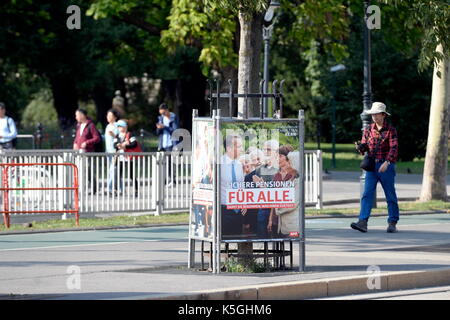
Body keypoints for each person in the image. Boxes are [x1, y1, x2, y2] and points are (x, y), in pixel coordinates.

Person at [351, 102, 399, 233]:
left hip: (386, 166)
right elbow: (365, 147)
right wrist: (361, 148)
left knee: (390, 194)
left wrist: (387, 162)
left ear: (383, 115)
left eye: (377, 114)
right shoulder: (368, 130)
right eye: (372, 114)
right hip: (372, 166)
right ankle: (363, 222)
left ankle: (392, 222)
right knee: (367, 194)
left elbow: (394, 148)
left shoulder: (391, 130)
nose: (374, 117)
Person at [268, 147, 300, 237]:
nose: (288, 164)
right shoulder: (279, 177)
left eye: (280, 156)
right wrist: (271, 218)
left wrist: (277, 209)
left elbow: (293, 203)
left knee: (291, 244)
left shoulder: (297, 181)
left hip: (292, 224)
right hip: (281, 223)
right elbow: (274, 199)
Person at [221, 134, 246, 238]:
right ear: (229, 148)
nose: (242, 149)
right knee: (224, 242)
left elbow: (241, 186)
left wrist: (244, 203)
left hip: (238, 211)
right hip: (223, 210)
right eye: (239, 146)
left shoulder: (239, 165)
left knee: (237, 239)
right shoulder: (218, 164)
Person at [73, 109, 101, 194]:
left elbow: (97, 138)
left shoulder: (91, 125)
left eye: (77, 115)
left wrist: (87, 143)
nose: (76, 117)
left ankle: (94, 187)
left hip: (88, 151)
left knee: (88, 170)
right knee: (80, 170)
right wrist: (75, 143)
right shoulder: (79, 125)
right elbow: (78, 137)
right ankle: (81, 189)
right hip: (79, 152)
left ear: (82, 115)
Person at [114, 119, 142, 197]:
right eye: (118, 127)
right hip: (120, 157)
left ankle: (136, 190)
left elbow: (134, 144)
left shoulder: (130, 134)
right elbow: (114, 144)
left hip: (129, 157)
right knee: (118, 174)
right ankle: (116, 190)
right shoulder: (117, 135)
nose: (119, 128)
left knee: (131, 175)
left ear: (125, 127)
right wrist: (118, 145)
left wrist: (125, 146)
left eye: (120, 126)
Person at [156, 103, 179, 185]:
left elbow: (175, 130)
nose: (162, 115)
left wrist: (164, 127)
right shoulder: (161, 118)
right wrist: (159, 128)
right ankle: (165, 180)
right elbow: (158, 133)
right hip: (163, 143)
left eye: (163, 113)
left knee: (170, 162)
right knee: (163, 162)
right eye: (161, 113)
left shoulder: (173, 117)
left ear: (167, 110)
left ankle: (172, 179)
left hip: (171, 143)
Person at [105, 109, 120, 195]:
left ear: (115, 117)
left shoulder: (117, 125)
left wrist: (114, 135)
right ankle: (121, 188)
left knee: (112, 170)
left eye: (110, 116)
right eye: (108, 116)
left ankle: (110, 189)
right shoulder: (108, 126)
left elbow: (120, 137)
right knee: (113, 170)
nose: (108, 117)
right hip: (108, 151)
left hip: (115, 152)